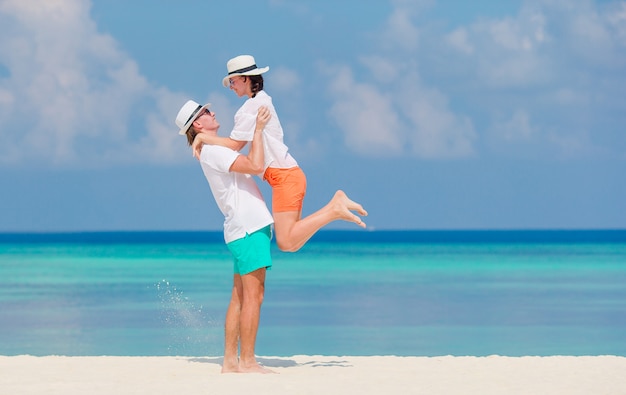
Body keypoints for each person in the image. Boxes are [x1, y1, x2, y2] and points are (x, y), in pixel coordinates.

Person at [192, 55, 368, 252]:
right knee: (290, 242)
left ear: (245, 79)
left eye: (232, 81)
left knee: (286, 242)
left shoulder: (251, 107)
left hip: (284, 177)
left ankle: (334, 208)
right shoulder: (262, 100)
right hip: (288, 176)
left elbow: (234, 145)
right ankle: (334, 208)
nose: (231, 86)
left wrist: (203, 138)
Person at [176, 99, 274, 374]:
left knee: (240, 297)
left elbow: (235, 147)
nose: (213, 112)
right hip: (248, 227)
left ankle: (231, 361)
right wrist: (259, 129)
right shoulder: (213, 152)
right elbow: (255, 165)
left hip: (241, 228)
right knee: (254, 297)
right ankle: (248, 361)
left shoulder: (209, 149)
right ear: (198, 123)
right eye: (207, 112)